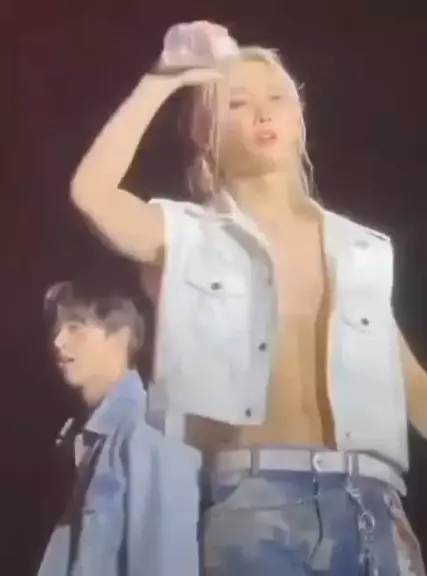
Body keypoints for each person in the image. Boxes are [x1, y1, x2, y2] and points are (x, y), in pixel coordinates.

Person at [69, 20, 427, 574]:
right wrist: (165, 78)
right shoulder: (188, 235)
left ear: (299, 117)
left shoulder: (362, 249)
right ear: (203, 131)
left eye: (276, 98)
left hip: (374, 509)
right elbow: (92, 193)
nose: (262, 113)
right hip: (256, 504)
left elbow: (412, 386)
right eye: (236, 102)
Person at [38, 278, 200, 576]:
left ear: (121, 335)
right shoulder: (84, 436)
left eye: (75, 327)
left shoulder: (147, 432)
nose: (58, 342)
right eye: (57, 329)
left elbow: (163, 564)